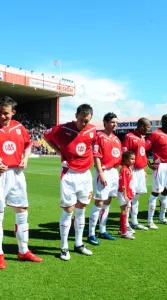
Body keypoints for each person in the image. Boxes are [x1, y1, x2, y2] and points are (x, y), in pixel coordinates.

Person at [43, 104, 96, 261]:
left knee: (81, 209)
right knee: (69, 210)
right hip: (69, 174)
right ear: (76, 116)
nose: (83, 123)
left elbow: (92, 145)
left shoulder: (92, 130)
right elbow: (46, 136)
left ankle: (78, 244)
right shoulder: (63, 128)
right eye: (80, 120)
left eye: (86, 121)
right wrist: (59, 150)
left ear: (90, 118)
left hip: (85, 175)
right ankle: (64, 247)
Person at [0, 96, 43, 269]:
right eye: (0, 113)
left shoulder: (19, 127)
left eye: (6, 113)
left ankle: (23, 250)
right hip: (0, 175)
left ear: (13, 112)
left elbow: (27, 145)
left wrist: (26, 159)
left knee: (22, 211)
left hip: (17, 173)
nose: (3, 117)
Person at [87, 112, 122, 245]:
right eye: (112, 122)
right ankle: (91, 233)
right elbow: (96, 156)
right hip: (104, 171)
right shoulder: (99, 137)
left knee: (107, 202)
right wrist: (101, 173)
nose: (115, 124)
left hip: (113, 172)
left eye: (116, 122)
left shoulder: (116, 139)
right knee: (99, 202)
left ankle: (102, 229)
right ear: (105, 122)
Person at [146, 114, 167, 229]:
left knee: (166, 191)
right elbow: (143, 148)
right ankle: (150, 221)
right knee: (155, 192)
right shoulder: (155, 134)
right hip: (160, 166)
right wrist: (148, 163)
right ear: (164, 121)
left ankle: (162, 217)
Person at [122, 118, 151, 231]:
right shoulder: (129, 136)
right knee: (129, 196)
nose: (149, 130)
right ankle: (126, 223)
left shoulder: (142, 138)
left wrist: (143, 169)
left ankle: (134, 221)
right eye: (148, 127)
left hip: (140, 171)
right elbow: (124, 154)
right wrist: (127, 170)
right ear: (142, 126)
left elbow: (141, 155)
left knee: (136, 197)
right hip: (132, 171)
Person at [118, 151, 136, 240]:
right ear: (125, 159)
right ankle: (124, 232)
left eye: (134, 159)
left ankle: (122, 229)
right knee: (124, 210)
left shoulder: (129, 168)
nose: (133, 161)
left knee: (125, 210)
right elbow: (123, 184)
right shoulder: (124, 169)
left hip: (127, 193)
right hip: (123, 192)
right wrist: (125, 195)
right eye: (131, 159)